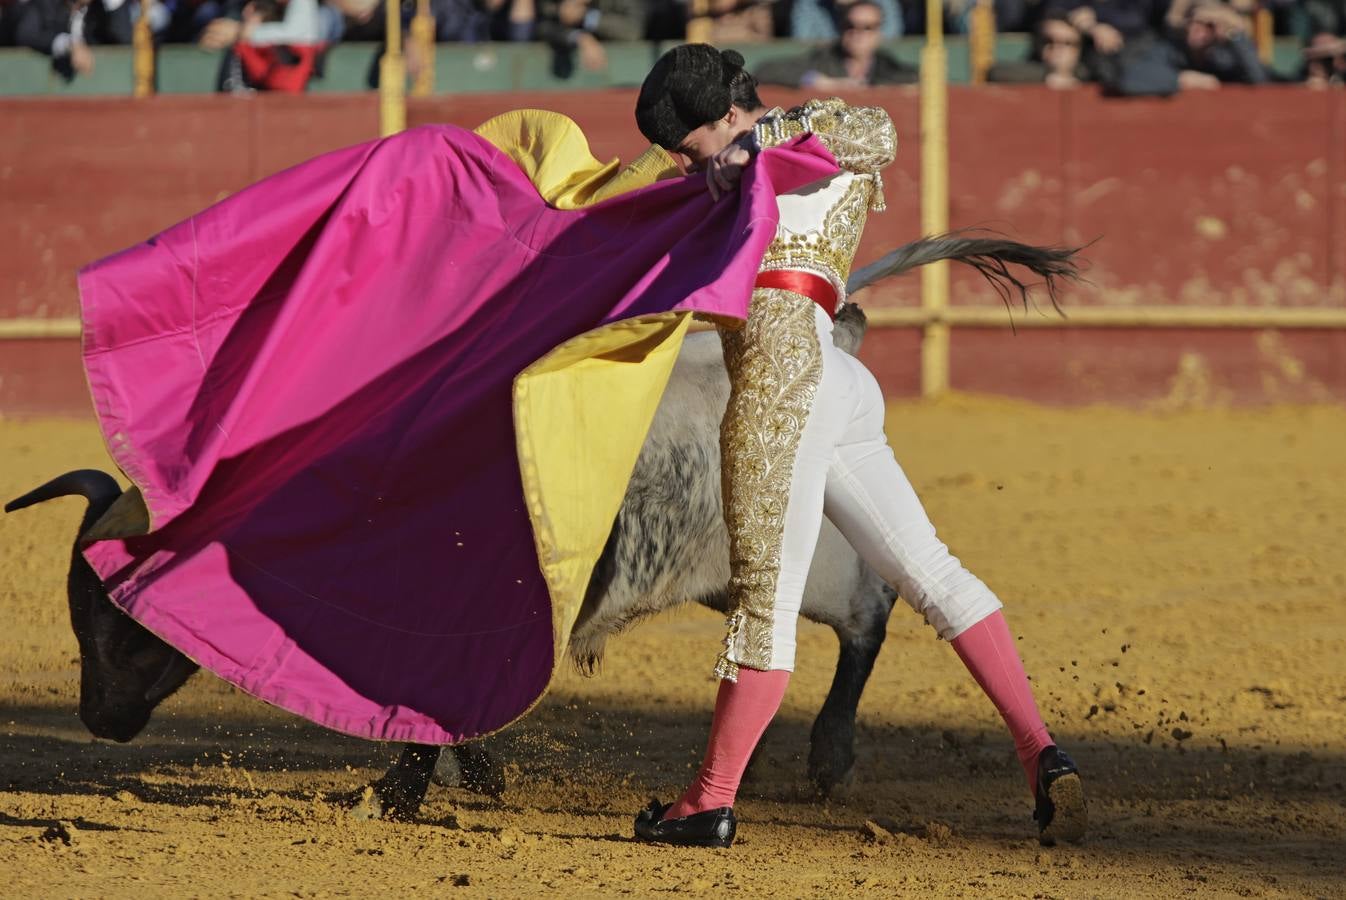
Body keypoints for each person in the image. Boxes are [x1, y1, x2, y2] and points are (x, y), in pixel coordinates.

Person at [630, 43, 1087, 849]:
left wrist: (755, 147)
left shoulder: (786, 141)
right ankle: (1041, 755)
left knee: (765, 599)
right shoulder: (721, 172)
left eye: (692, 144)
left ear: (731, 115)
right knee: (934, 571)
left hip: (779, 383)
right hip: (835, 376)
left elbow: (875, 129)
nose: (684, 161)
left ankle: (708, 802)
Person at [756, 0, 917, 89]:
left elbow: (915, 77)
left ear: (879, 33)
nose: (857, 34)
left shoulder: (885, 64)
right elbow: (766, 71)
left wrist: (876, 86)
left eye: (867, 27)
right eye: (850, 26)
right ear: (841, 29)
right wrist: (817, 81)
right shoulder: (824, 58)